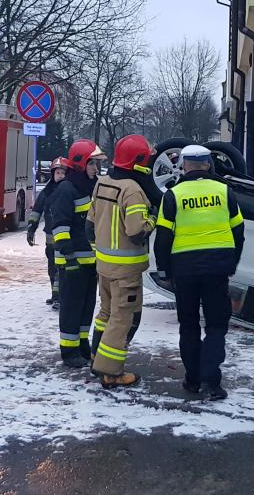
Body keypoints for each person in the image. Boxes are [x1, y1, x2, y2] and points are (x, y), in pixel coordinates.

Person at [154, 145, 245, 400]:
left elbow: (163, 236)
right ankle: (212, 381)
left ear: (184, 166)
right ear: (208, 165)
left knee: (189, 325)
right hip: (217, 269)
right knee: (216, 325)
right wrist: (232, 261)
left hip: (185, 270)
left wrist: (164, 270)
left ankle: (193, 379)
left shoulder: (173, 195)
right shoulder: (225, 191)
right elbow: (239, 230)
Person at [87, 135, 157, 389]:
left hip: (104, 266)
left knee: (106, 314)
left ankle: (97, 357)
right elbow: (137, 231)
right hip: (126, 271)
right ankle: (111, 372)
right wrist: (153, 218)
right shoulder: (133, 191)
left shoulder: (103, 183)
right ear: (138, 161)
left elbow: (90, 224)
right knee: (123, 318)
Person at [49, 139, 105, 368]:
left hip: (90, 261)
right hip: (72, 261)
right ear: (82, 164)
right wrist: (69, 256)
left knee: (86, 306)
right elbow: (60, 226)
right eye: (93, 164)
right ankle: (68, 350)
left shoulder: (91, 187)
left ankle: (82, 344)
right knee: (71, 307)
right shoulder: (66, 189)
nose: (97, 169)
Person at [27, 157, 69, 309]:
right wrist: (31, 229)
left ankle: (60, 297)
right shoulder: (46, 192)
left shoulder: (70, 191)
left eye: (63, 173)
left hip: (67, 239)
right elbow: (36, 212)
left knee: (62, 268)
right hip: (51, 238)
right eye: (57, 172)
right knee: (53, 267)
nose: (60, 175)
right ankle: (55, 295)